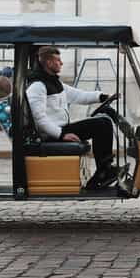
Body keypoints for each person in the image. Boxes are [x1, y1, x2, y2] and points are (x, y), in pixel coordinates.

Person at [26, 46, 118, 189]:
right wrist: (62, 134)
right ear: (49, 63)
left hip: (60, 129)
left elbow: (78, 95)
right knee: (102, 124)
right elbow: (39, 119)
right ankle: (104, 170)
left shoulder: (55, 83)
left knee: (103, 122)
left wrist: (101, 97)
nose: (61, 63)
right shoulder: (38, 86)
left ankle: (105, 168)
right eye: (58, 60)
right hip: (52, 134)